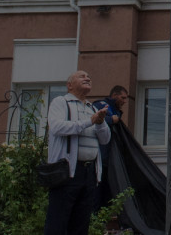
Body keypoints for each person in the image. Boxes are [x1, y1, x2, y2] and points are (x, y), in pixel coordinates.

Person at [45, 70, 111, 235]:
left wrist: (100, 123)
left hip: (89, 173)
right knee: (57, 222)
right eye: (82, 76)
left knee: (81, 223)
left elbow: (105, 139)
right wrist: (89, 121)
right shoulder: (61, 102)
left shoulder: (92, 108)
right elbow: (57, 127)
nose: (87, 78)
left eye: (89, 77)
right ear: (69, 85)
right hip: (66, 172)